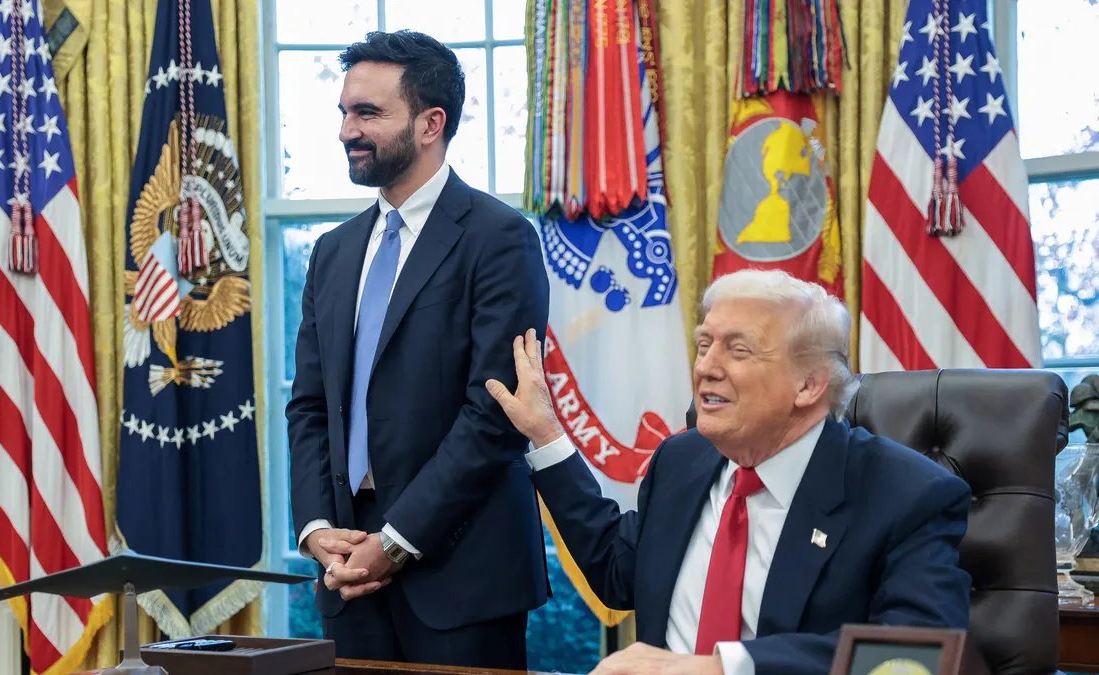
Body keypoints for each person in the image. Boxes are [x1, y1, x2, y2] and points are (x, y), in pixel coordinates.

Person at [486, 269, 971, 675]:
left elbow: (913, 657)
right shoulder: (681, 460)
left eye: (738, 351)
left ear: (808, 384)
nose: (706, 368)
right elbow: (618, 574)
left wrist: (720, 667)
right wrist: (547, 434)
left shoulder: (907, 495)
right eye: (704, 345)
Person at [285, 30, 550, 669]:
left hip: (462, 578)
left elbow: (494, 416)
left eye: (367, 113)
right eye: (344, 112)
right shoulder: (333, 251)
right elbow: (310, 408)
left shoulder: (500, 239)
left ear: (431, 123)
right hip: (347, 576)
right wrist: (318, 530)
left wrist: (397, 542)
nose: (346, 129)